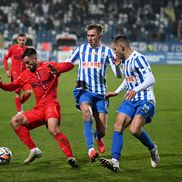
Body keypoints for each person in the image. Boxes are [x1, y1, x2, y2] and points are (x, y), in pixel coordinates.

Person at [0, 48, 78, 168]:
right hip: (38, 110)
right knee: (15, 121)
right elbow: (12, 86)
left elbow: (69, 66)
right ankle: (34, 150)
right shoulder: (26, 74)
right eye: (25, 63)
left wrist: (57, 70)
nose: (26, 66)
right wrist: (1, 84)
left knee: (53, 129)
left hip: (51, 105)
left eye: (27, 63)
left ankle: (70, 157)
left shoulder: (48, 66)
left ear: (35, 59)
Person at [100, 34, 160, 172]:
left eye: (115, 50)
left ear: (122, 47)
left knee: (134, 130)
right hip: (131, 100)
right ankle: (115, 161)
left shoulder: (138, 58)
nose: (114, 52)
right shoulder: (125, 61)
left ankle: (152, 148)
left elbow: (151, 79)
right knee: (118, 125)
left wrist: (136, 89)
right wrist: (116, 91)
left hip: (145, 99)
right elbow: (127, 79)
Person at [65, 24, 122, 162]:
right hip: (83, 91)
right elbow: (67, 63)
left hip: (101, 94)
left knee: (102, 130)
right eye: (88, 35)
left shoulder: (108, 52)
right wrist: (54, 69)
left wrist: (118, 66)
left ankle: (98, 137)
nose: (89, 38)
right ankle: (91, 149)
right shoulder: (81, 49)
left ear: (100, 36)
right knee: (87, 114)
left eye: (93, 36)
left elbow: (118, 75)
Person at [3, 33, 32, 113]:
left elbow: (30, 61)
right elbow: (5, 59)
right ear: (17, 40)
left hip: (25, 75)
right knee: (18, 92)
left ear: (26, 40)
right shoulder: (12, 48)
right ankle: (19, 111)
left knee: (29, 92)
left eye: (23, 40)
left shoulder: (27, 50)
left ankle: (21, 103)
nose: (21, 41)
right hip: (15, 74)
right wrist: (7, 70)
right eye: (20, 40)